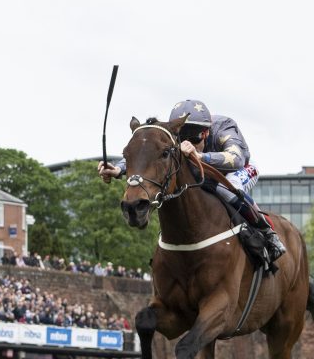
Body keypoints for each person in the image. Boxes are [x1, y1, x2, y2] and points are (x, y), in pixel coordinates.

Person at [98, 99, 286, 264]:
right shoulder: (170, 129)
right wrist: (118, 169)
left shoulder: (224, 126)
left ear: (205, 133)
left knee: (230, 187)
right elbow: (149, 152)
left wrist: (199, 155)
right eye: (183, 138)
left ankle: (267, 231)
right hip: (202, 171)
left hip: (239, 169)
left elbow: (236, 158)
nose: (187, 143)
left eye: (194, 138)